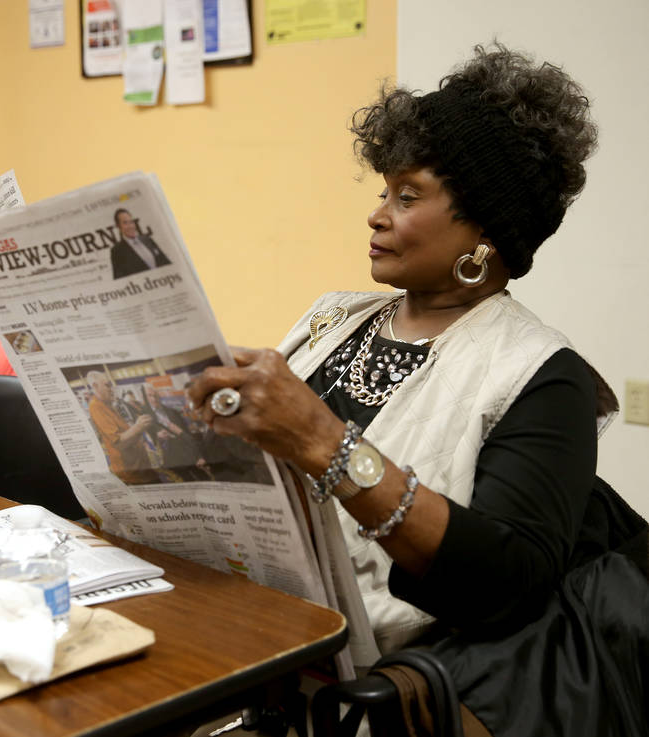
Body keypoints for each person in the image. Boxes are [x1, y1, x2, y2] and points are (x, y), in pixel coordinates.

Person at [187, 44, 647, 736]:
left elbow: (510, 583)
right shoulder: (334, 316)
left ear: (484, 234)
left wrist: (323, 441)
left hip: (370, 685)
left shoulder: (542, 374)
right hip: (256, 630)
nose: (378, 214)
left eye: (408, 196)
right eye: (383, 192)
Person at [85, 370, 158, 484]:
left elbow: (125, 434)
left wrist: (139, 433)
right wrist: (138, 427)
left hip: (141, 467)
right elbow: (118, 442)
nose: (111, 388)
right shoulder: (96, 407)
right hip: (132, 473)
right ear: (95, 386)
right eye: (107, 385)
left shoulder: (109, 405)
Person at [110, 208, 171, 279]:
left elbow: (165, 262)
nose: (130, 226)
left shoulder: (147, 239)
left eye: (131, 222)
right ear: (118, 226)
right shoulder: (117, 251)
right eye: (125, 223)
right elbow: (120, 279)